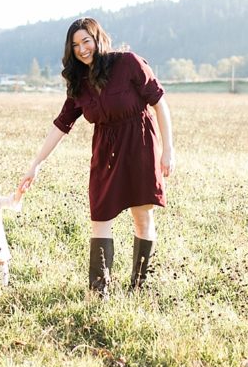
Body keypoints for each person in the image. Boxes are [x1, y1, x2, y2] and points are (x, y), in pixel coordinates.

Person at [20, 18, 175, 297]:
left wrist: (168, 150)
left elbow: (159, 104)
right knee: (100, 214)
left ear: (98, 39)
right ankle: (99, 290)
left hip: (139, 145)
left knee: (141, 216)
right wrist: (36, 163)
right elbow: (61, 124)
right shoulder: (79, 82)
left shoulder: (128, 63)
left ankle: (139, 287)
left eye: (86, 41)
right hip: (105, 152)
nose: (82, 49)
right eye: (75, 45)